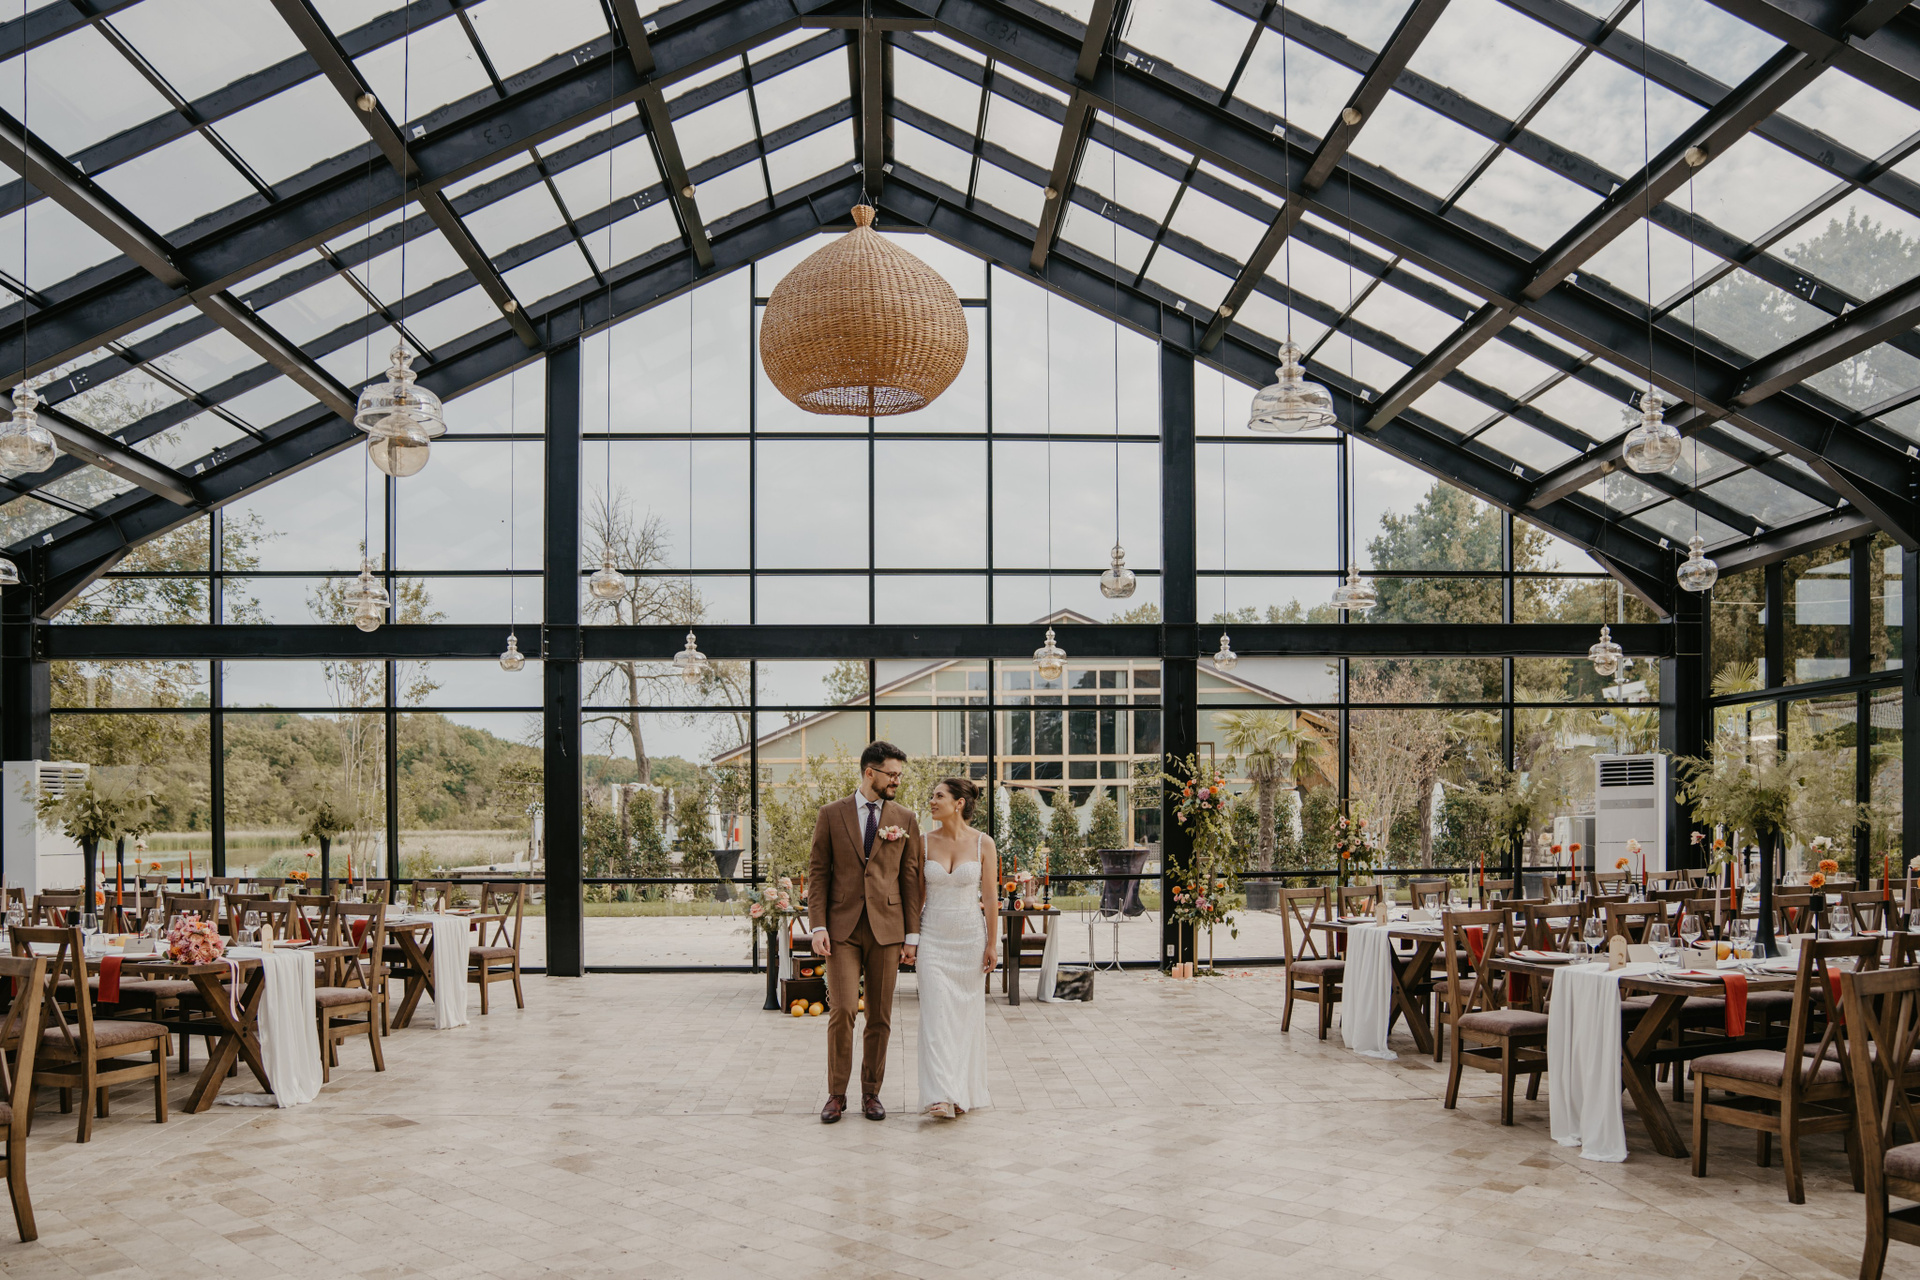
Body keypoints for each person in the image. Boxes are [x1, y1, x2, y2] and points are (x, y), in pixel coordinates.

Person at [810, 741, 924, 1123]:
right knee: (843, 1009)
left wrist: (912, 936)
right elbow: (818, 873)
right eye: (891, 774)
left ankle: (871, 1092)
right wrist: (818, 925)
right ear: (869, 773)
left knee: (879, 1016)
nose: (897, 781)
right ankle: (836, 1094)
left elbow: (911, 879)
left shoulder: (905, 819)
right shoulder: (831, 814)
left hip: (887, 930)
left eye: (899, 775)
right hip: (841, 929)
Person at [917, 776, 997, 1119]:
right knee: (935, 1015)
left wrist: (992, 944)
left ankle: (960, 1092)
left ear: (958, 803)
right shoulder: (923, 842)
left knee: (964, 1018)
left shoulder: (983, 843)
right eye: (932, 796)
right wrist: (910, 939)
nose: (932, 802)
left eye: (939, 796)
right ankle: (939, 1094)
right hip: (932, 939)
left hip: (969, 940)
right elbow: (916, 897)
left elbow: (990, 898)